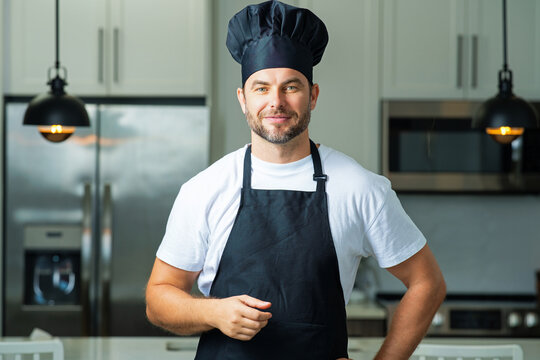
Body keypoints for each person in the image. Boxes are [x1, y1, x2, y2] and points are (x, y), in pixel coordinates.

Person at [145, 1, 446, 359]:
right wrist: (213, 312)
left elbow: (427, 283)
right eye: (261, 88)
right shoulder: (206, 189)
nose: (276, 102)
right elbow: (158, 298)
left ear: (312, 96)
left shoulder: (359, 187)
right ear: (243, 99)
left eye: (291, 87)